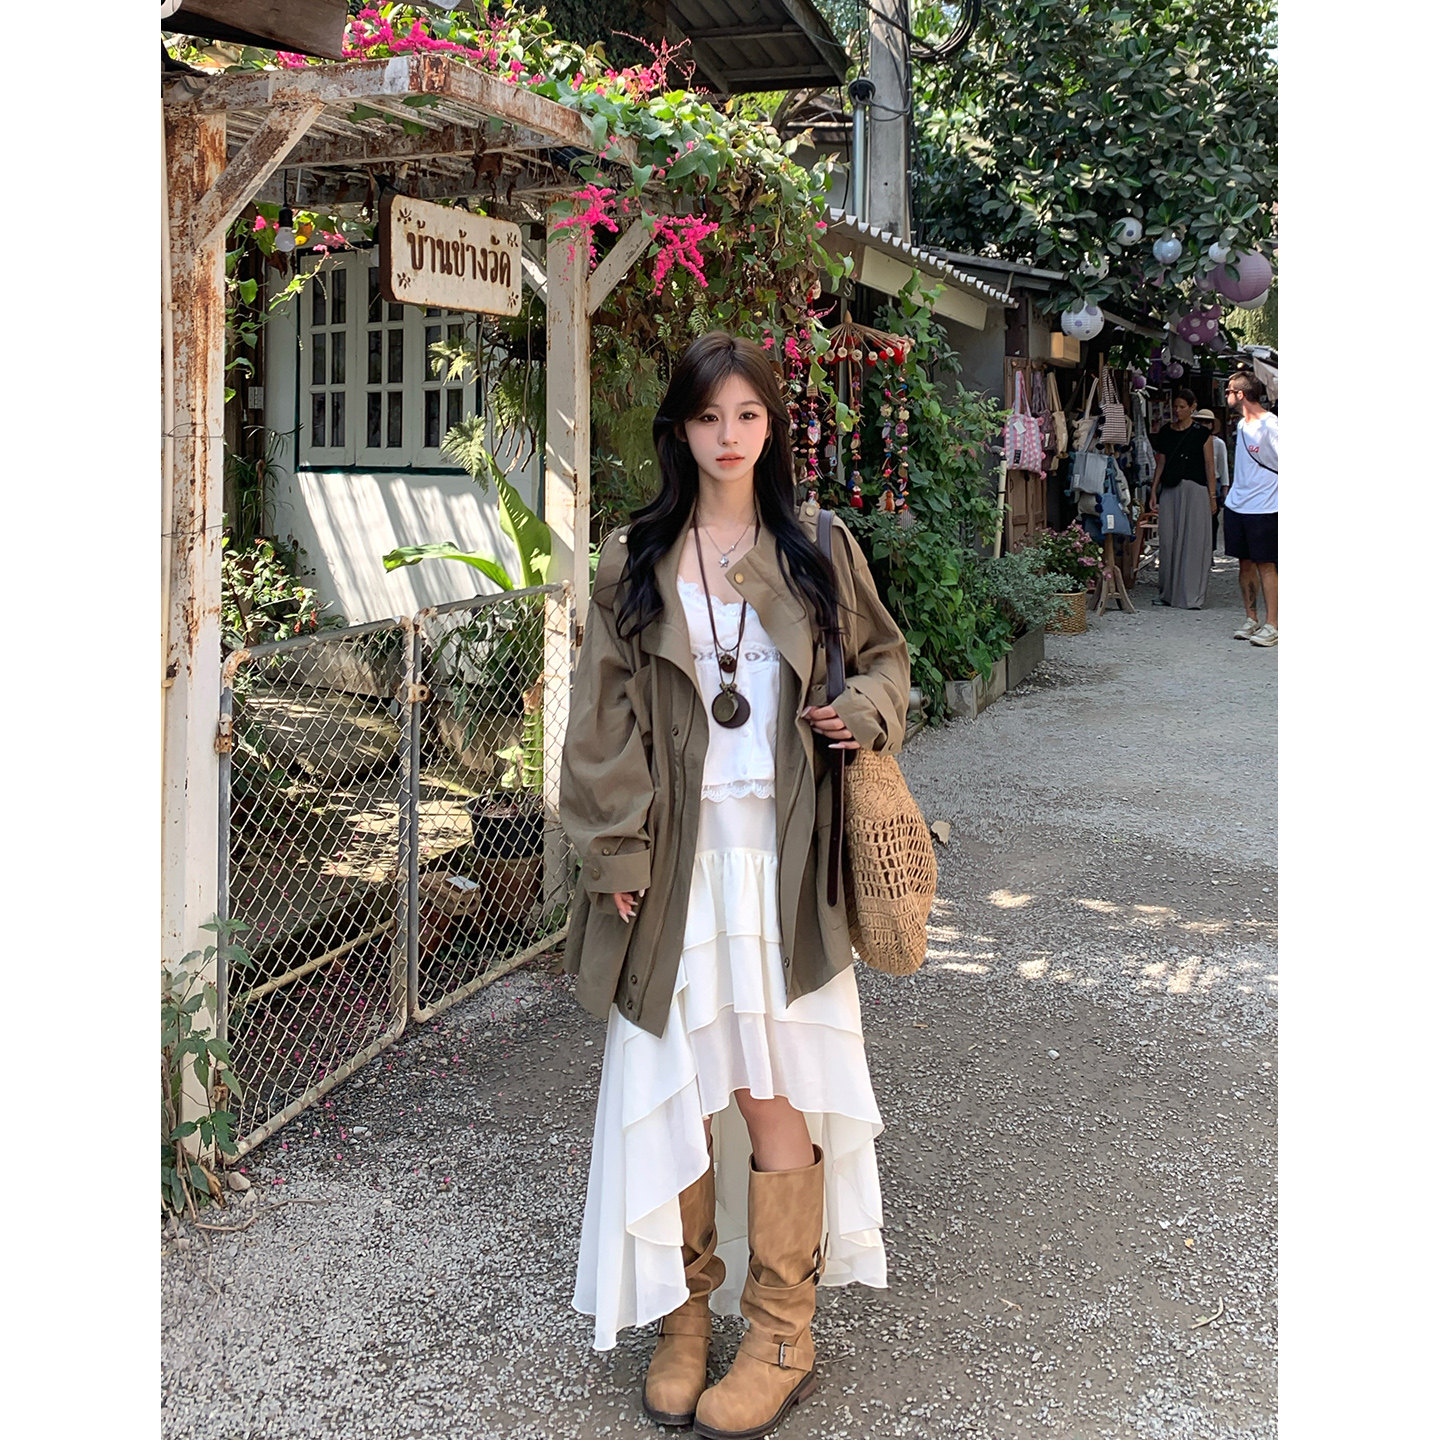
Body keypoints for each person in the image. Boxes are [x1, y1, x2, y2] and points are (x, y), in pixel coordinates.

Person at [559, 330, 909, 1439]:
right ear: (681, 428)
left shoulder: (815, 546)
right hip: (679, 867)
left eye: (747, 415)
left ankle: (780, 1334)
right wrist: (618, 851)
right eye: (709, 417)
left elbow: (889, 662)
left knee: (770, 1090)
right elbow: (600, 721)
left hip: (785, 868)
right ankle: (683, 1318)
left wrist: (864, 712)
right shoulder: (637, 558)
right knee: (678, 1086)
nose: (728, 436)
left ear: (771, 426)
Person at [1223, 371, 1279, 646]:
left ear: (1240, 394)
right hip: (1238, 503)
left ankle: (1273, 624)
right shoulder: (1241, 426)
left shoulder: (1271, 425)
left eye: (1229, 391)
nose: (1226, 395)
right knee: (1243, 562)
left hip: (1265, 505)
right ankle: (1251, 618)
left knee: (1266, 565)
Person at [1146, 387, 1216, 608]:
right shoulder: (1167, 431)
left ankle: (1191, 594)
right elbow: (1161, 462)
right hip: (1171, 488)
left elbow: (1209, 465)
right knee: (1169, 540)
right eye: (1175, 406)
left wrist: (1212, 496)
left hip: (1195, 489)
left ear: (1192, 407)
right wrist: (1154, 490)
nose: (1177, 410)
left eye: (1182, 407)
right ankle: (1168, 592)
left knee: (1193, 540)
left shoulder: (1202, 434)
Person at [1193, 407, 1229, 552]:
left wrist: (1225, 488)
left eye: (1207, 422)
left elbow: (1223, 465)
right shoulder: (1192, 440)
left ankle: (1211, 549)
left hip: (1214, 482)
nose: (1204, 425)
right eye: (1200, 422)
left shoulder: (1218, 443)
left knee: (1213, 518)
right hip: (1197, 480)